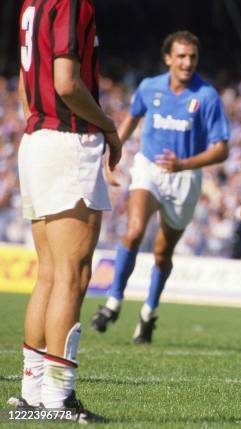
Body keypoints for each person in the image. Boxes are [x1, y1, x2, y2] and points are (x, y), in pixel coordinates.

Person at [14, 0, 121, 422]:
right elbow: (66, 82)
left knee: (49, 273)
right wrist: (108, 126)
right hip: (67, 140)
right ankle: (57, 400)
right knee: (72, 275)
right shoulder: (71, 3)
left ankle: (32, 394)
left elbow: (27, 86)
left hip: (38, 137)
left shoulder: (31, 3)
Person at [90, 31, 229, 343]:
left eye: (192, 56)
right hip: (149, 168)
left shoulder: (206, 96)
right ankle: (112, 302)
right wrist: (114, 149)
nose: (187, 62)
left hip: (185, 177)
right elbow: (131, 119)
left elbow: (222, 149)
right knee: (134, 230)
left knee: (163, 253)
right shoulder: (149, 87)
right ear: (168, 58)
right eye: (181, 56)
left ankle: (148, 312)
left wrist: (184, 164)